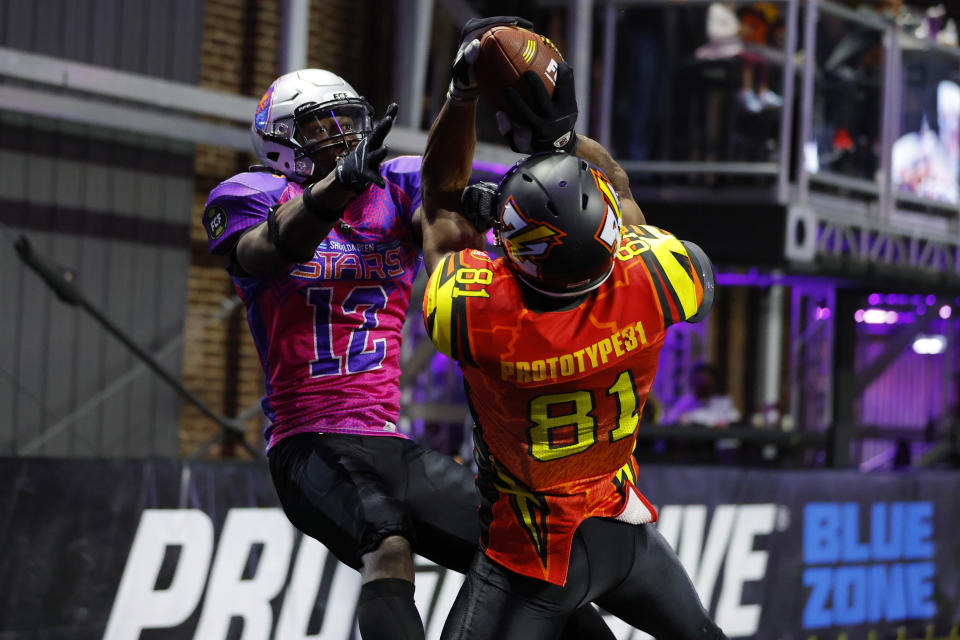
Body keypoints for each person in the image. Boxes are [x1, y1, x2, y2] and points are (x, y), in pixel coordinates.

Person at [201, 19, 617, 640]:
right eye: (320, 126)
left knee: (530, 560)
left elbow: (440, 206)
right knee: (387, 546)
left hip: (387, 438)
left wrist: (484, 202)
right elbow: (268, 249)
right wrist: (334, 189)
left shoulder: (389, 185)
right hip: (309, 440)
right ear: (281, 143)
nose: (341, 137)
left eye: (345, 119)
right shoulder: (253, 194)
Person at [419, 57, 727, 639]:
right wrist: (564, 136)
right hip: (625, 536)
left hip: (530, 559)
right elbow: (622, 191)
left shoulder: (481, 313)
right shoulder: (654, 276)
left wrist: (462, 94)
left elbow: (438, 204)